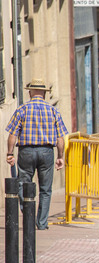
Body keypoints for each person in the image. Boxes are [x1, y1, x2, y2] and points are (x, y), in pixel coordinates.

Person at [5, 78, 69, 230]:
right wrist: (60, 156)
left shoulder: (22, 109)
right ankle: (41, 223)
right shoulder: (53, 110)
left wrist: (10, 153)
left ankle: (28, 213)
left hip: (26, 151)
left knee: (23, 184)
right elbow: (60, 137)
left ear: (30, 93)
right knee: (45, 189)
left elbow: (12, 135)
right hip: (47, 151)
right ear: (44, 94)